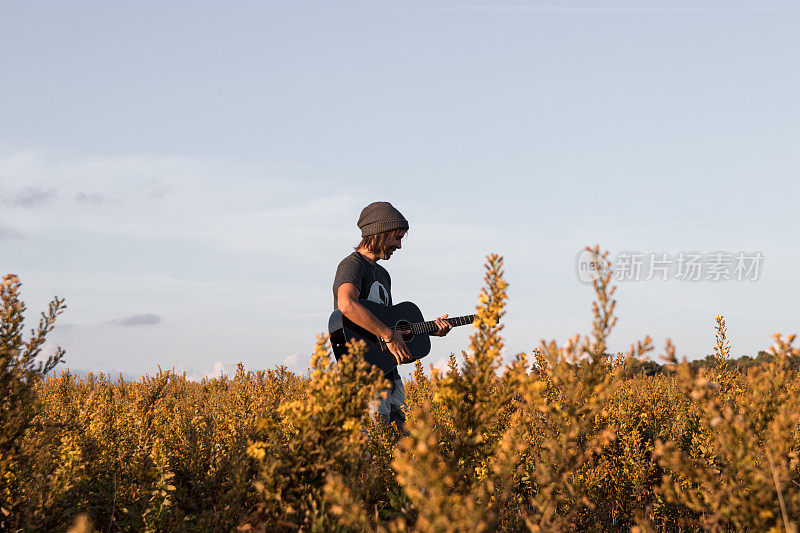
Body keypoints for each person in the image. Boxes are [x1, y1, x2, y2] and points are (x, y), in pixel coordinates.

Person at [332, 201, 452, 433]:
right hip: (364, 378)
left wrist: (427, 330)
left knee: (398, 449)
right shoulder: (352, 266)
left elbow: (387, 323)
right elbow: (346, 304)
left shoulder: (382, 274)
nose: (399, 245)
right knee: (371, 450)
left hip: (389, 376)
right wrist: (388, 335)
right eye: (396, 238)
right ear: (379, 234)